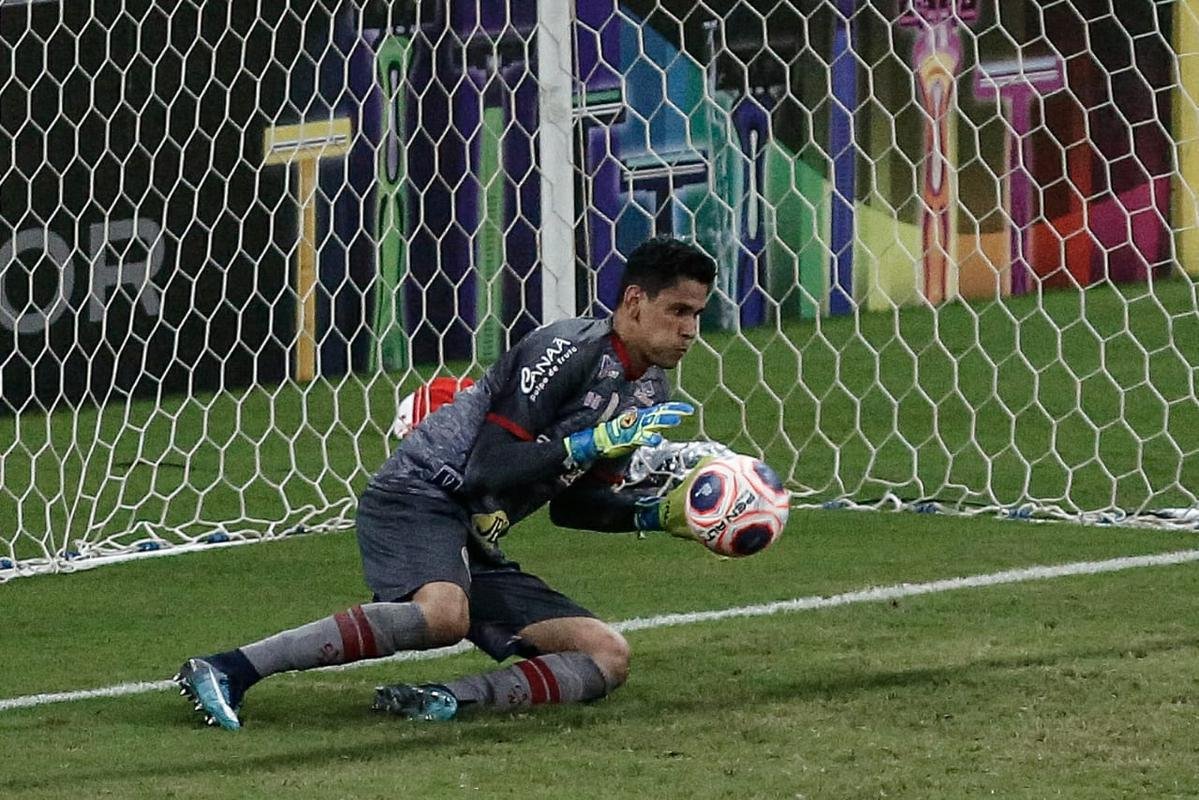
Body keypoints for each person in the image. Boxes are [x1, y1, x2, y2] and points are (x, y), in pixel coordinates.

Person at [174, 236, 717, 730]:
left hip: (475, 537)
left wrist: (655, 514)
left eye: (696, 313)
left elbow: (571, 506)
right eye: (678, 311)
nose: (690, 329)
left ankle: (442, 698)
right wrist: (591, 443)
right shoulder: (566, 350)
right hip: (421, 492)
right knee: (444, 615)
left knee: (607, 654)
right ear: (633, 302)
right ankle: (228, 668)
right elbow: (488, 466)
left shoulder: (649, 395)